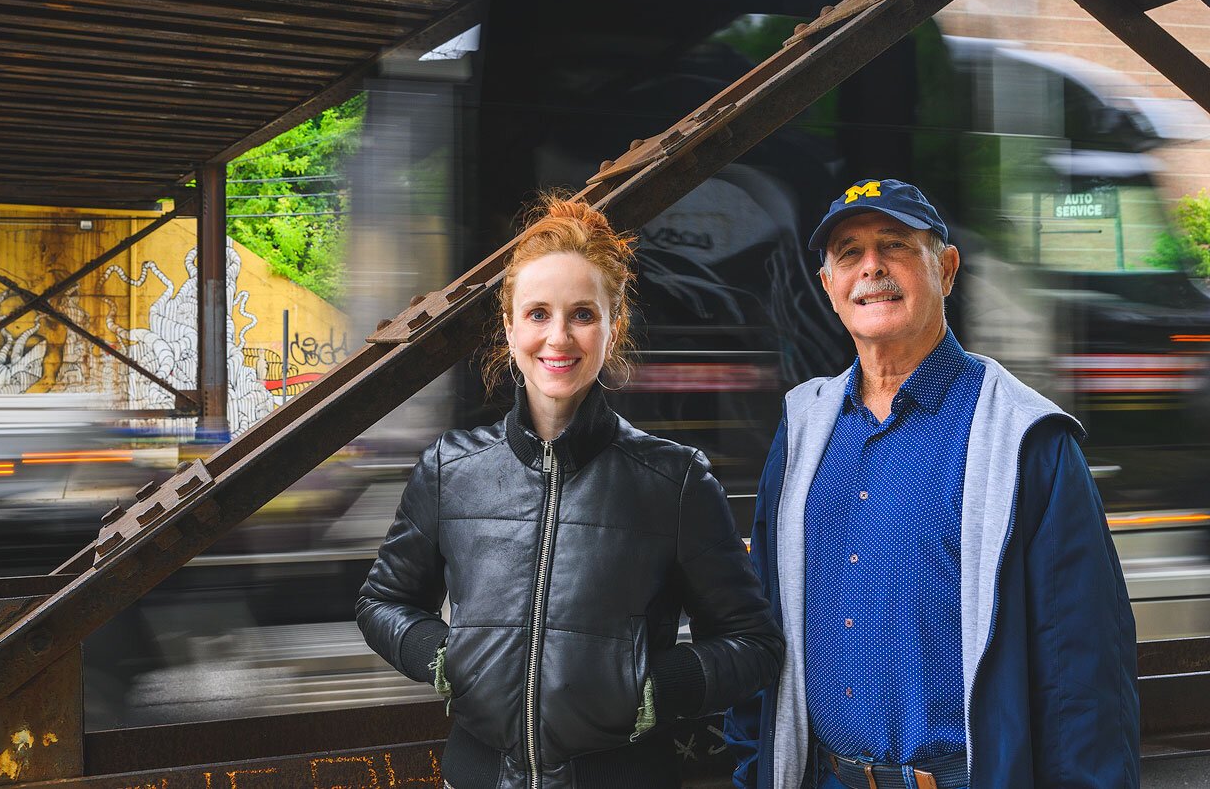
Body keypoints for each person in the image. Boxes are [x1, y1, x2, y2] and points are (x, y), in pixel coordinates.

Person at [358, 196, 784, 789]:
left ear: (614, 327)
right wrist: (444, 661)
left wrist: (654, 689)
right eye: (537, 314)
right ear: (508, 328)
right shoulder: (449, 469)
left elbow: (753, 645)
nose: (558, 337)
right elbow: (382, 603)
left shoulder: (676, 480)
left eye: (582, 313)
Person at [725, 179, 1138, 789]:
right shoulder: (802, 430)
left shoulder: (1026, 439)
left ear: (945, 269)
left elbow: (1082, 671)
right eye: (849, 253)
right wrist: (754, 772)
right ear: (829, 288)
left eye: (894, 245)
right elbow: (759, 624)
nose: (871, 267)